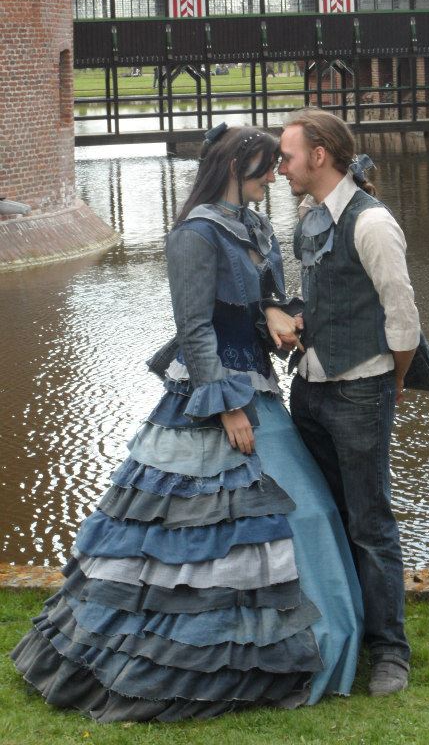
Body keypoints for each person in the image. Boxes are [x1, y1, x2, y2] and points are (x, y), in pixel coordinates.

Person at [11, 123, 362, 722]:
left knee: (306, 511)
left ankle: (320, 641)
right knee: (203, 532)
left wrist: (277, 314)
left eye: (277, 163)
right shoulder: (193, 234)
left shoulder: (254, 226)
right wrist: (225, 405)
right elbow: (195, 327)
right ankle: (206, 660)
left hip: (259, 386)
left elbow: (263, 298)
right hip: (215, 397)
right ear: (234, 168)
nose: (274, 173)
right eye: (265, 165)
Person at [279, 109, 421, 697]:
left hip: (362, 389)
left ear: (319, 156)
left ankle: (390, 651)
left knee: (369, 523)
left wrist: (392, 380)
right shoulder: (310, 217)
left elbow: (403, 317)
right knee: (324, 516)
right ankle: (345, 630)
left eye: (288, 156)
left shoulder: (373, 222)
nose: (281, 167)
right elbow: (324, 294)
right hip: (309, 389)